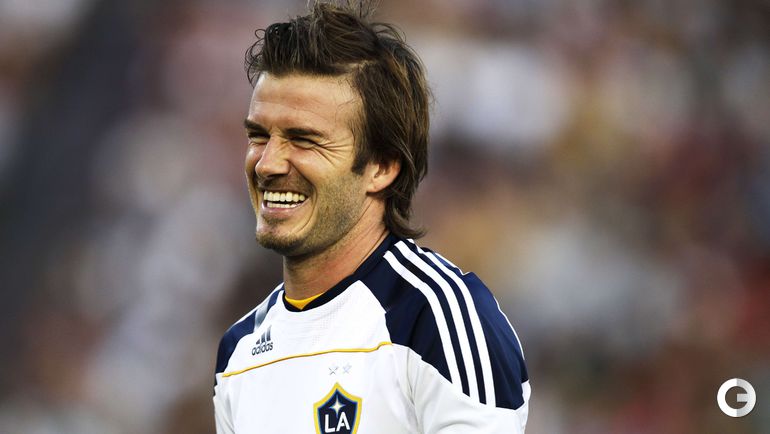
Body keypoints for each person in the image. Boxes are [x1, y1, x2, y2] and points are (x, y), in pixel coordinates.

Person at [213, 2, 529, 433]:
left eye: (304, 140)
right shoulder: (238, 352)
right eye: (259, 136)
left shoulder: (438, 316)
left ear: (381, 167)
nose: (267, 164)